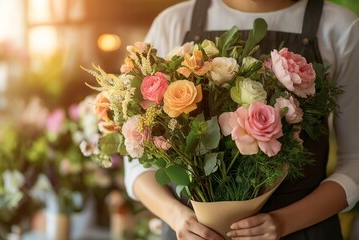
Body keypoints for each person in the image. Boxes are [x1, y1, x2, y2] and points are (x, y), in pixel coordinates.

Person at [123, 0, 359, 239]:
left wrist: (283, 222)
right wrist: (177, 216)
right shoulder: (174, 22)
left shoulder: (339, 26)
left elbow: (355, 160)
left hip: (303, 231)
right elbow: (138, 160)